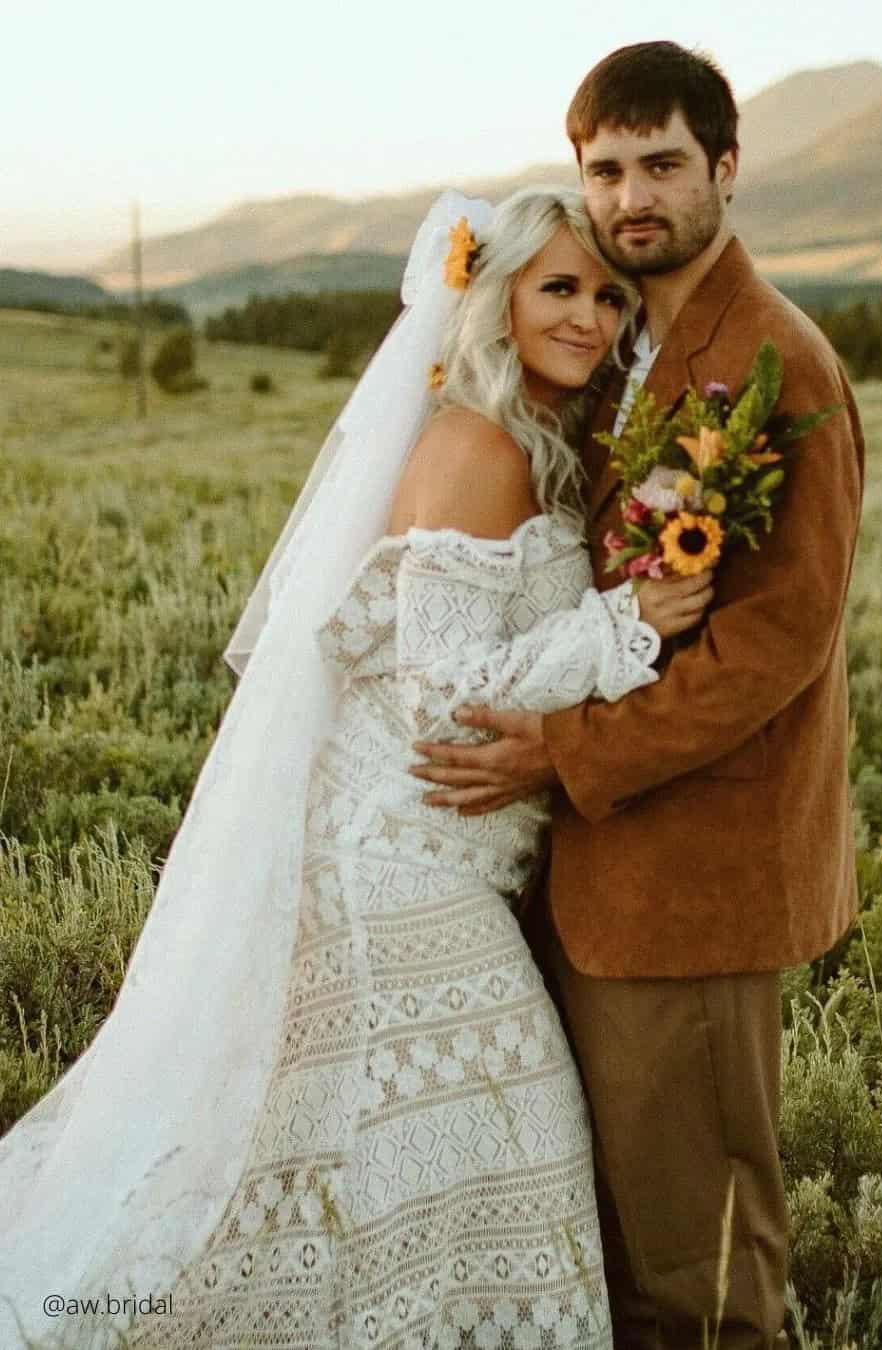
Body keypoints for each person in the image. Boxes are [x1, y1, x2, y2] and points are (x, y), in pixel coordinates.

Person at [0, 187, 716, 1350]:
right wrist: (625, 626)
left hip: (445, 858)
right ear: (495, 301)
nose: (590, 316)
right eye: (559, 289)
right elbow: (442, 686)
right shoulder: (474, 445)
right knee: (511, 1128)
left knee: (365, 1142)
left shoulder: (534, 446)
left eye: (607, 295)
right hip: (396, 864)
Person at [410, 43, 867, 1350]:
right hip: (585, 878)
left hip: (693, 882)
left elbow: (771, 648)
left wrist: (559, 749)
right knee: (611, 1249)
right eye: (604, 168)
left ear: (726, 166)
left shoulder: (782, 364)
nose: (630, 195)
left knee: (703, 1272)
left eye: (661, 161)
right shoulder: (613, 342)